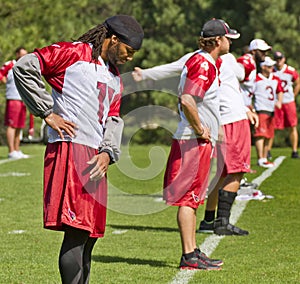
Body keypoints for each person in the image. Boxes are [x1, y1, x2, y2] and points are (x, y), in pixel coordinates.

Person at [13, 15, 144, 284]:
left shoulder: (114, 75)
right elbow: (24, 67)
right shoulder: (73, 52)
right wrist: (47, 112)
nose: (129, 58)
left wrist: (108, 152)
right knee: (75, 232)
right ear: (114, 39)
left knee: (88, 238)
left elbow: (113, 118)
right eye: (128, 51)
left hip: (96, 158)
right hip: (71, 151)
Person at [163, 18, 240, 270]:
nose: (230, 43)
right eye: (228, 38)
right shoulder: (204, 64)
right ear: (218, 40)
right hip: (192, 142)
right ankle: (188, 255)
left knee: (194, 198)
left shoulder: (204, 61)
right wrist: (200, 129)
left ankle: (193, 251)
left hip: (194, 140)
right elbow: (187, 99)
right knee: (189, 198)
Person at [253, 57, 283, 168]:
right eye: (269, 66)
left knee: (269, 135)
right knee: (260, 134)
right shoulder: (256, 79)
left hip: (271, 110)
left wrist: (279, 101)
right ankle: (260, 158)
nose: (272, 68)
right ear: (263, 67)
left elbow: (280, 91)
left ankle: (264, 158)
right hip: (261, 109)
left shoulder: (275, 78)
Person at [269, 51, 300, 158]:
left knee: (292, 126)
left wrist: (293, 96)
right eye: (276, 59)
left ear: (284, 59)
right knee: (272, 126)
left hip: (288, 101)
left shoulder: (290, 71)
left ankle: (294, 150)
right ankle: (267, 150)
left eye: (280, 59)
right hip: (276, 102)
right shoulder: (271, 70)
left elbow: (297, 83)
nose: (278, 61)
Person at [0, 46, 29, 159]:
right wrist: (4, 81)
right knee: (12, 125)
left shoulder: (25, 66)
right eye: (22, 55)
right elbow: (1, 74)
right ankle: (11, 151)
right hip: (13, 98)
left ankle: (17, 149)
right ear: (17, 54)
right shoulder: (10, 64)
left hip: (23, 99)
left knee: (19, 126)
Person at [237, 39, 272, 109]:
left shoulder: (252, 62)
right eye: (262, 51)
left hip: (244, 105)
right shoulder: (247, 62)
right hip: (239, 106)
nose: (265, 54)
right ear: (253, 51)